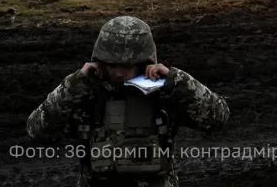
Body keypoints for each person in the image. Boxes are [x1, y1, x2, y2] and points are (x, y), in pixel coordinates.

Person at [27, 15, 230, 186]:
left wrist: (177, 81)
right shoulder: (85, 93)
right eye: (113, 64)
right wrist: (73, 85)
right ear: (100, 60)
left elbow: (217, 118)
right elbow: (37, 129)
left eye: (127, 65)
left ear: (144, 62)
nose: (119, 73)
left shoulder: (163, 92)